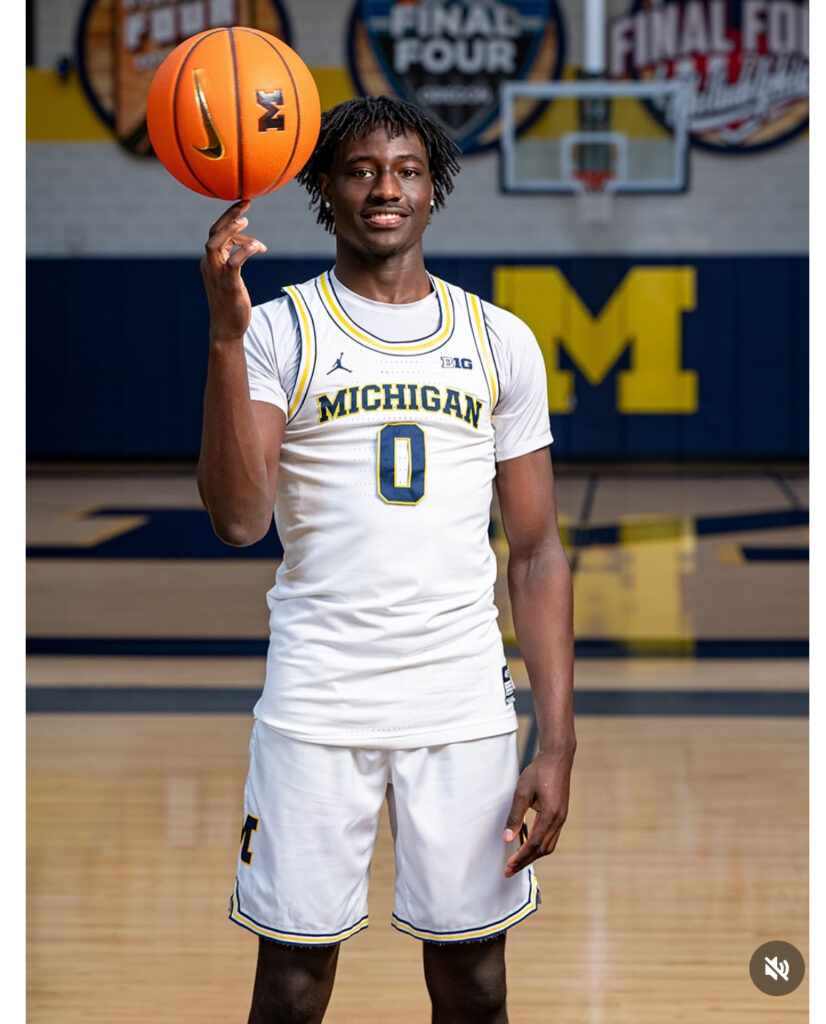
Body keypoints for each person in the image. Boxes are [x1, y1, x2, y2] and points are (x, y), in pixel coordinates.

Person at [197, 95, 575, 1024]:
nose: (385, 189)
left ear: (432, 189)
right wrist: (225, 337)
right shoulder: (277, 329)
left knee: (474, 980)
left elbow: (535, 552)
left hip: (460, 701)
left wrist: (557, 740)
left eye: (407, 170)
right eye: (361, 170)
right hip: (316, 697)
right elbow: (239, 519)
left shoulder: (497, 340)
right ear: (324, 190)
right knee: (291, 983)